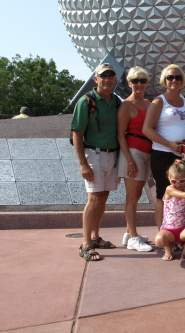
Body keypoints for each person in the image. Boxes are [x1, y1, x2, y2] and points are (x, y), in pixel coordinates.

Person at [142, 64, 185, 237]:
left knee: (183, 193)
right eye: (170, 77)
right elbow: (147, 129)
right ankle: (164, 234)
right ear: (164, 80)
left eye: (177, 77)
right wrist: (169, 144)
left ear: (182, 80)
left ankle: (178, 230)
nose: (174, 80)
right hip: (164, 154)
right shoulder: (159, 101)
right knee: (163, 195)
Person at [71, 63, 120, 261]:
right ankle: (85, 244)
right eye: (103, 76)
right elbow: (77, 132)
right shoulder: (86, 101)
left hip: (112, 154)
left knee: (103, 197)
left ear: (115, 79)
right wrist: (82, 163)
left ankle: (95, 236)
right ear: (96, 79)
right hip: (93, 154)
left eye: (111, 75)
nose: (107, 79)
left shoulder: (116, 101)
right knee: (93, 198)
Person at [117, 66, 153, 252]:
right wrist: (129, 160)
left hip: (147, 153)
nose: (139, 84)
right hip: (133, 153)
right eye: (135, 81)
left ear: (147, 82)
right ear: (129, 83)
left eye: (142, 80)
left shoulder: (148, 103)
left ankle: (128, 233)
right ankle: (133, 238)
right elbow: (121, 135)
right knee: (131, 198)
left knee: (138, 195)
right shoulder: (126, 105)